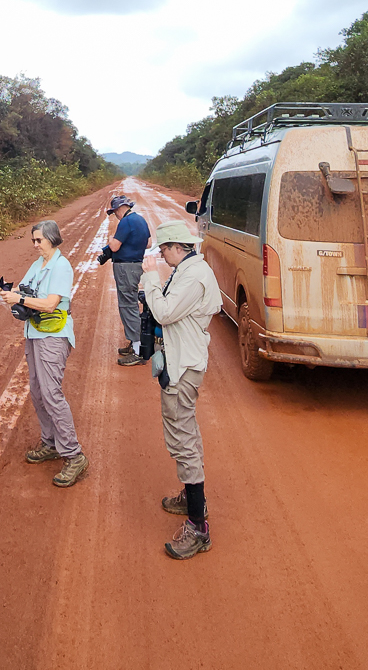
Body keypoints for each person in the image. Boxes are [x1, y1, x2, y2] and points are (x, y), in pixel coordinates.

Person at [140, 219, 222, 559]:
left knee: (181, 436)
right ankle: (192, 497)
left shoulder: (191, 275)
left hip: (183, 366)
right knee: (187, 430)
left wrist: (149, 281)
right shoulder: (190, 269)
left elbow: (165, 312)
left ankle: (197, 526)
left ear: (177, 247)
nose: (161, 255)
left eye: (163, 249)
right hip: (183, 360)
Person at [0, 219, 89, 487]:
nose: (36, 245)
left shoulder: (61, 266)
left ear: (52, 239)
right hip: (34, 333)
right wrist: (8, 292)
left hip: (54, 335)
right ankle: (50, 443)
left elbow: (50, 304)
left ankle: (73, 454)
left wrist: (20, 300)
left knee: (51, 394)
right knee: (37, 392)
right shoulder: (38, 265)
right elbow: (24, 290)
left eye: (39, 240)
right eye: (33, 240)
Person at [97, 193, 152, 365]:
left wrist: (111, 240)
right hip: (136, 265)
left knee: (127, 305)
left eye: (114, 212)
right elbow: (149, 243)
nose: (115, 215)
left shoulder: (126, 221)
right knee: (131, 302)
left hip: (125, 267)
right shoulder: (140, 220)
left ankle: (137, 349)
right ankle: (135, 343)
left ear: (121, 208)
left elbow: (114, 246)